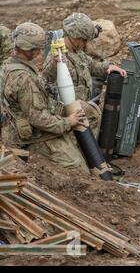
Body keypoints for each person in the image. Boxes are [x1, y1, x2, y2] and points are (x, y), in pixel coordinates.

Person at [0, 22, 89, 172]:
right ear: (29, 49)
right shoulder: (23, 77)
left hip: (30, 124)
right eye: (38, 48)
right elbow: (37, 118)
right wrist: (68, 122)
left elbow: (41, 83)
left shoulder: (11, 65)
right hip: (34, 136)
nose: (41, 51)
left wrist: (54, 65)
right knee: (79, 169)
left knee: (89, 112)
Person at [42, 13, 126, 135]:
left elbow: (92, 65)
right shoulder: (57, 56)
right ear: (76, 37)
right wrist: (55, 64)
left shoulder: (77, 52)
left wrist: (109, 66)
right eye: (84, 40)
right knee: (94, 115)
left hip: (79, 110)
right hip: (67, 113)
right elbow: (46, 77)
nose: (86, 44)